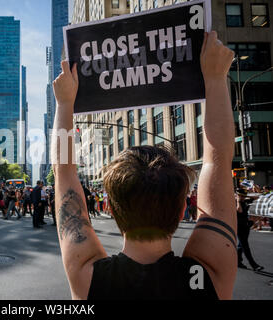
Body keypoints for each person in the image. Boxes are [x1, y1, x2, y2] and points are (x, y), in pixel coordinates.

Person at [51, 31, 238, 300]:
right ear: (184, 206)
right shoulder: (208, 275)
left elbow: (63, 172)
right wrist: (217, 78)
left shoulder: (89, 277)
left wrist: (64, 103)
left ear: (112, 210)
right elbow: (217, 161)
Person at [236, 188, 264, 271]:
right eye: (241, 196)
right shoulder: (234, 202)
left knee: (241, 245)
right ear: (237, 195)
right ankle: (254, 265)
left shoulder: (245, 201)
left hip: (246, 225)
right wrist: (238, 200)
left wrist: (252, 192)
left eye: (243, 196)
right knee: (245, 246)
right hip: (239, 226)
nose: (242, 198)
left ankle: (238, 261)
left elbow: (258, 197)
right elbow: (239, 210)